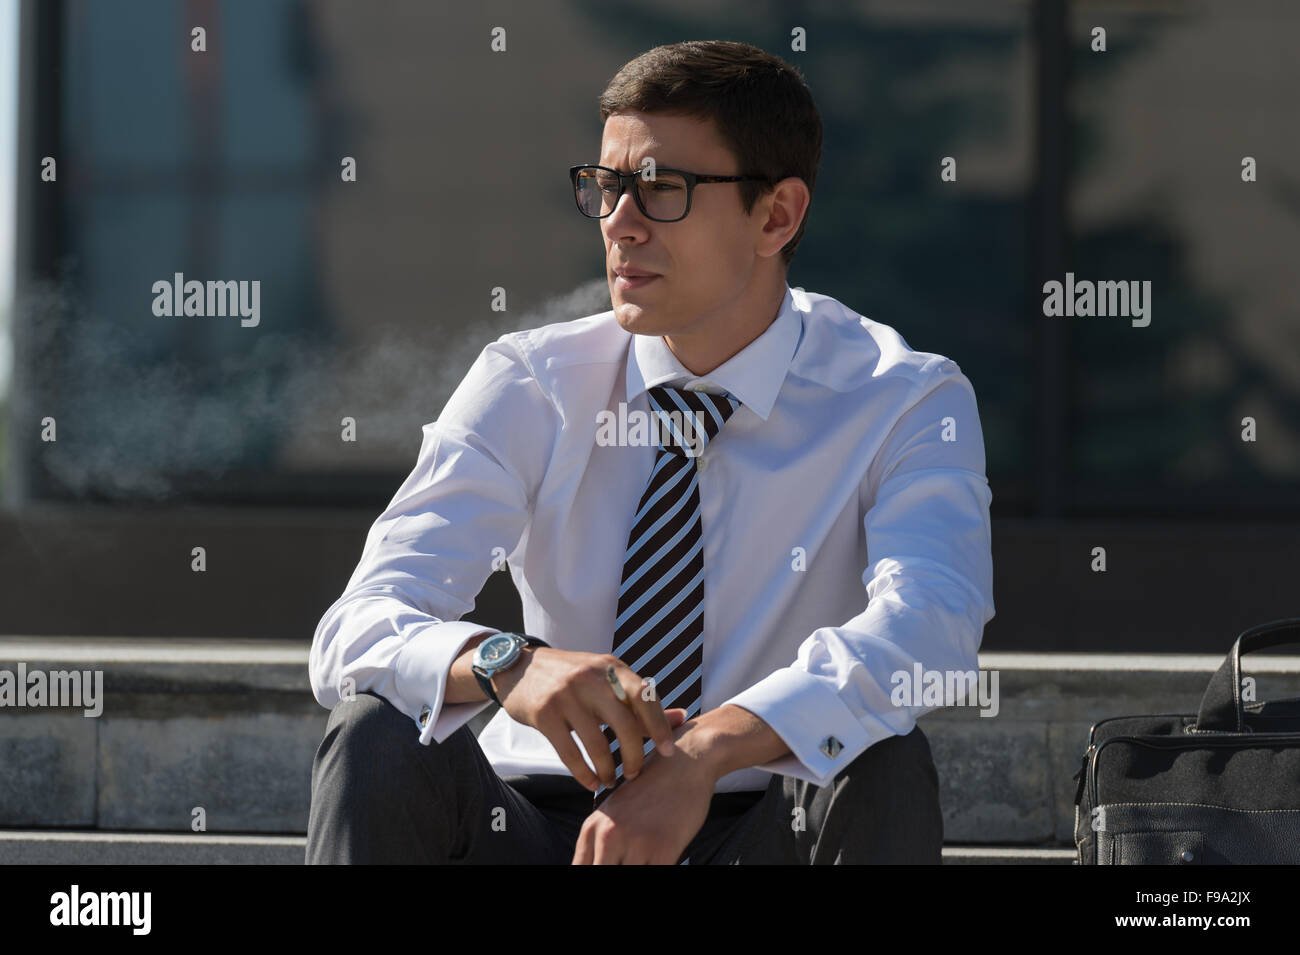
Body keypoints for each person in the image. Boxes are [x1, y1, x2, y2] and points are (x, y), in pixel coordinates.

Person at [306, 39, 995, 865]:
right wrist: (506, 661)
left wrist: (705, 752)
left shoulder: (903, 397)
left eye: (663, 189)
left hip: (756, 819)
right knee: (376, 727)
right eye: (605, 187)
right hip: (533, 828)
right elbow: (354, 630)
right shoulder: (532, 383)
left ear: (776, 215)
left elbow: (933, 626)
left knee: (880, 755)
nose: (619, 224)